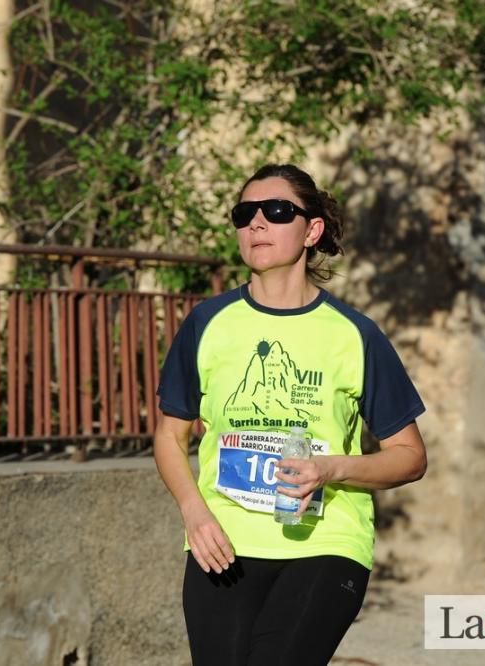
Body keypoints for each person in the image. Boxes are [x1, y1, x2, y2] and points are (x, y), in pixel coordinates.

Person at [154, 163, 427, 666]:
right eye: (244, 214)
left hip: (325, 543)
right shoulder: (207, 324)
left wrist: (333, 468)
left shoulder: (354, 335)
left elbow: (409, 457)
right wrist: (194, 513)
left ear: (312, 230)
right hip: (225, 541)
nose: (256, 223)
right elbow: (169, 438)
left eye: (276, 211)